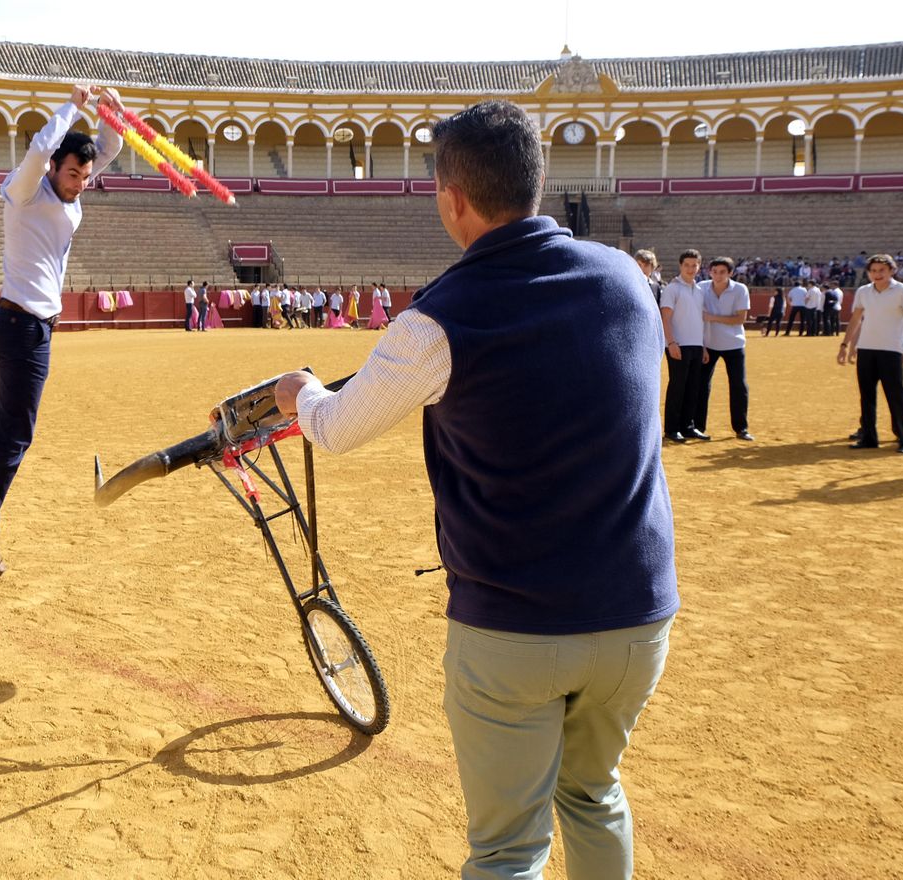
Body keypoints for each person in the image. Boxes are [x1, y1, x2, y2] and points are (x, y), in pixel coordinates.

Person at [273, 100, 676, 880]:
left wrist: (303, 393)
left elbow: (337, 429)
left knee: (506, 850)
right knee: (595, 795)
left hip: (514, 628)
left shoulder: (435, 322)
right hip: (637, 613)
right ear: (536, 180)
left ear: (452, 198)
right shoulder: (627, 278)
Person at [0, 83, 123, 578]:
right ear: (54, 166)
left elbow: (107, 149)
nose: (80, 183)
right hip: (24, 325)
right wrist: (73, 104)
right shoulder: (26, 189)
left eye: (85, 176)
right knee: (15, 435)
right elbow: (39, 149)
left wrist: (109, 112)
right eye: (73, 173)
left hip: (19, 322)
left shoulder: (71, 187)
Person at [838, 254, 903, 454]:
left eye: (882, 270)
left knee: (896, 395)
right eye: (873, 271)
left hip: (892, 349)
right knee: (866, 396)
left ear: (892, 271)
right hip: (866, 349)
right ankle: (868, 437)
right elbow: (856, 319)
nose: (877, 274)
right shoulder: (864, 291)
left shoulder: (902, 291)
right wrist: (845, 344)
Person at [695, 257, 753, 440]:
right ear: (709, 272)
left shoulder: (740, 289)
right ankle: (698, 426)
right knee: (702, 385)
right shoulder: (701, 287)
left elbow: (740, 319)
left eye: (722, 272)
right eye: (714, 271)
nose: (717, 276)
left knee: (738, 385)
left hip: (733, 343)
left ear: (730, 273)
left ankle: (741, 428)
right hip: (708, 344)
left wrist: (712, 317)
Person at [660, 249, 709, 442]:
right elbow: (665, 317)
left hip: (696, 345)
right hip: (678, 344)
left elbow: (700, 321)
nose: (691, 269)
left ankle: (688, 426)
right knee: (677, 387)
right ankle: (672, 429)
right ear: (681, 266)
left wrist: (703, 346)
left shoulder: (699, 290)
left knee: (692, 387)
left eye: (694, 265)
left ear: (699, 266)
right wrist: (671, 342)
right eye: (687, 265)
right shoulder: (673, 288)